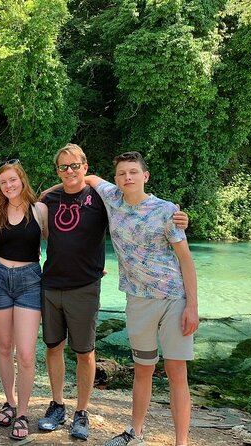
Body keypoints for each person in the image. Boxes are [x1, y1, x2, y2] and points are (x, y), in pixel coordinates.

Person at [37, 144, 189, 441]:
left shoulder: (106, 199)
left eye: (75, 166)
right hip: (58, 284)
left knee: (86, 352)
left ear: (85, 165)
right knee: (54, 347)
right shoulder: (57, 199)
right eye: (63, 167)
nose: (70, 171)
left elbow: (123, 207)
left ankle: (82, 413)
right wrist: (51, 189)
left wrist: (180, 219)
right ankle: (59, 406)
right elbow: (72, 185)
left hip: (99, 288)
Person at [83, 152, 198, 446]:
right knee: (143, 369)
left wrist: (192, 308)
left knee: (176, 371)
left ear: (145, 176)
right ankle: (135, 433)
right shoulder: (112, 199)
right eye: (122, 173)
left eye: (133, 172)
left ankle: (181, 442)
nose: (127, 178)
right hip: (137, 300)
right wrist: (47, 191)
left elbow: (186, 260)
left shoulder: (166, 210)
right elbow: (87, 177)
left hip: (173, 298)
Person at [0, 159, 47, 440]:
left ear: (22, 180)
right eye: (3, 182)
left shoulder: (40, 210)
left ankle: (23, 413)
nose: (9, 185)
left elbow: (58, 243)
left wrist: (88, 264)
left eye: (13, 179)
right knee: (3, 347)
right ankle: (9, 402)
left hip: (29, 281)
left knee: (25, 353)